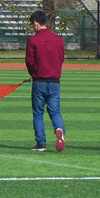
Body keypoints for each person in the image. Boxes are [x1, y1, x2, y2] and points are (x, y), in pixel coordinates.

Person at [26, 10, 65, 152]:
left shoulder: (33, 40)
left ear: (36, 23)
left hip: (39, 81)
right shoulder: (58, 39)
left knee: (38, 113)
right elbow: (61, 58)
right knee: (55, 112)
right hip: (54, 81)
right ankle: (59, 129)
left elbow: (30, 62)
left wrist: (34, 73)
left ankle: (41, 143)